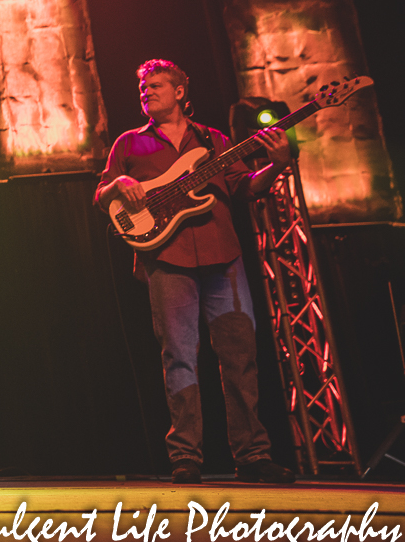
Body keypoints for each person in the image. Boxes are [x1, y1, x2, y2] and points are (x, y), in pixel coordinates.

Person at [94, 59, 296, 485]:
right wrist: (117, 186)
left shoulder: (214, 140)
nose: (147, 92)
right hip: (166, 258)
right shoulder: (130, 143)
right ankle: (186, 457)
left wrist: (276, 164)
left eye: (156, 85)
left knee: (240, 358)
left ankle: (253, 455)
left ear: (181, 92)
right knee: (179, 359)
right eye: (143, 87)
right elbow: (102, 193)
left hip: (223, 255)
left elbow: (246, 187)